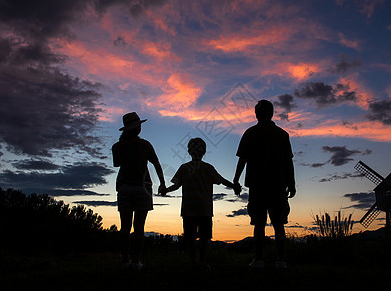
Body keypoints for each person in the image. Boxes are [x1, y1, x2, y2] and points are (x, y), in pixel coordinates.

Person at [233, 99, 296, 269]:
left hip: (257, 186)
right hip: (277, 186)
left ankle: (259, 260)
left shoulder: (250, 133)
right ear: (272, 113)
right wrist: (292, 183)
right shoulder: (282, 134)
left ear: (257, 114)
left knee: (259, 224)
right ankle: (280, 261)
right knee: (279, 225)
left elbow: (242, 160)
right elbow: (288, 162)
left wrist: (236, 179)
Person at [160, 137, 239, 270]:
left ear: (189, 151)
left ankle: (193, 263)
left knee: (190, 239)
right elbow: (222, 180)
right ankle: (202, 263)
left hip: (188, 210)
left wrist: (166, 190)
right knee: (203, 238)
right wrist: (234, 186)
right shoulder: (208, 168)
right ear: (204, 152)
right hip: (205, 210)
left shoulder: (184, 168)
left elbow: (177, 185)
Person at [112, 112, 166, 270]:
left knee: (125, 226)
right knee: (139, 227)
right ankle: (136, 262)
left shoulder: (117, 146)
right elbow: (156, 164)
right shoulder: (145, 145)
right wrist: (162, 183)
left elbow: (117, 164)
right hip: (143, 188)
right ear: (137, 127)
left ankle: (125, 260)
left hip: (124, 187)